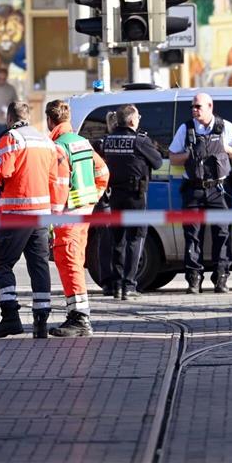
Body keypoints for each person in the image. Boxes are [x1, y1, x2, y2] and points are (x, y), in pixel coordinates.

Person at [0, 101, 63, 339]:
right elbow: (53, 177)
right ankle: (41, 321)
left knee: (1, 262)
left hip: (16, 213)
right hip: (41, 214)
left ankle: (10, 317)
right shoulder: (46, 141)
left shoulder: (11, 139)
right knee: (38, 265)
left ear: (10, 119)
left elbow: (1, 171)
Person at [169, 93, 232, 294]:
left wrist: (225, 148)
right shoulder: (186, 128)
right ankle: (194, 280)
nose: (194, 110)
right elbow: (173, 157)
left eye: (198, 106)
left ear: (210, 106)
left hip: (219, 189)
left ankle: (221, 278)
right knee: (193, 235)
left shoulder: (226, 127)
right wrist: (191, 153)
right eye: (193, 107)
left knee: (222, 234)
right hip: (194, 189)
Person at [45, 100, 109, 337]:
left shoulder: (58, 147)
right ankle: (76, 315)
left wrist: (52, 217)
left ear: (49, 120)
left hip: (67, 215)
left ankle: (80, 319)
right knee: (75, 262)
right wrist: (92, 199)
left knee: (69, 263)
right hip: (83, 212)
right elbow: (103, 172)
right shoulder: (82, 142)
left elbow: (59, 185)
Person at [102, 104, 162, 299]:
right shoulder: (140, 141)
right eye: (138, 117)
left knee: (117, 240)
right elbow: (158, 162)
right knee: (135, 240)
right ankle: (129, 285)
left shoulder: (108, 141)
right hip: (135, 196)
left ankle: (116, 285)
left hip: (115, 196)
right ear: (132, 121)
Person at [89, 111, 118, 296]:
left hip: (103, 199)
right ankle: (116, 281)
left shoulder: (98, 144)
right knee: (116, 241)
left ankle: (109, 281)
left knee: (106, 241)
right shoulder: (100, 145)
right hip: (112, 198)